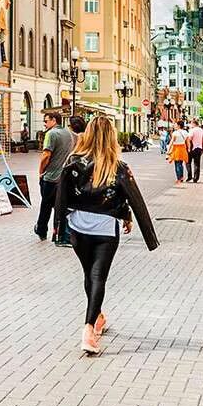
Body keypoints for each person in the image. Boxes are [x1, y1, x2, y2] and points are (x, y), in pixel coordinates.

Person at [53, 115, 158, 356]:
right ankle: (89, 329)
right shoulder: (118, 167)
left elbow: (62, 195)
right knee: (98, 276)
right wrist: (131, 219)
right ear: (111, 137)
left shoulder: (73, 162)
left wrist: (59, 225)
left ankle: (97, 317)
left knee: (89, 275)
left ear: (88, 134)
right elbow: (133, 198)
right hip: (105, 230)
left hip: (78, 227)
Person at [35, 111, 75, 242]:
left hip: (51, 176)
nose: (45, 124)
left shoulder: (51, 134)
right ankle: (58, 232)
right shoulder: (68, 133)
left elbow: (46, 155)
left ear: (54, 120)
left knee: (46, 204)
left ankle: (41, 229)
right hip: (63, 177)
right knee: (60, 206)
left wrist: (41, 171)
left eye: (46, 121)